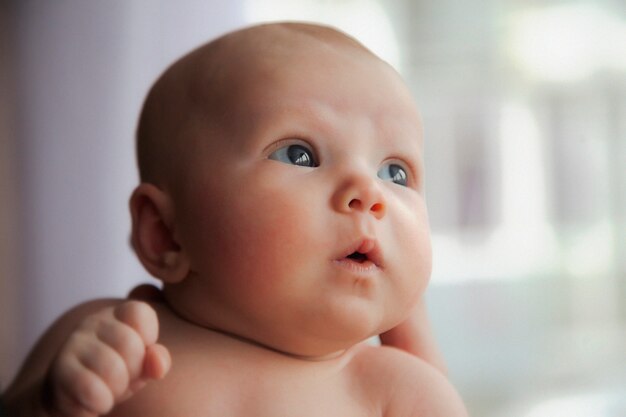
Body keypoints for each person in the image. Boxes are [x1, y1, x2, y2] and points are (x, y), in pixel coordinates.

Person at [3, 22, 468, 417]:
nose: (369, 194)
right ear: (165, 233)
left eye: (395, 172)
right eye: (300, 154)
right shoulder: (113, 339)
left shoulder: (398, 393)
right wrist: (50, 403)